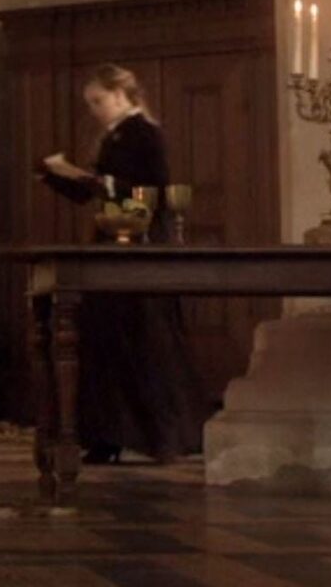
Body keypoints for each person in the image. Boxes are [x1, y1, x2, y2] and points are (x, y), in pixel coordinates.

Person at [37, 64, 203, 463]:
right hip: (112, 239)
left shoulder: (144, 133)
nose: (93, 110)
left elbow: (151, 189)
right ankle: (107, 436)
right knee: (104, 339)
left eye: (98, 101)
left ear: (119, 94)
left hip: (140, 241)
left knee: (144, 340)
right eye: (90, 103)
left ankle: (162, 436)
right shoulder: (113, 136)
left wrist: (97, 182)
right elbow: (92, 194)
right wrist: (52, 175)